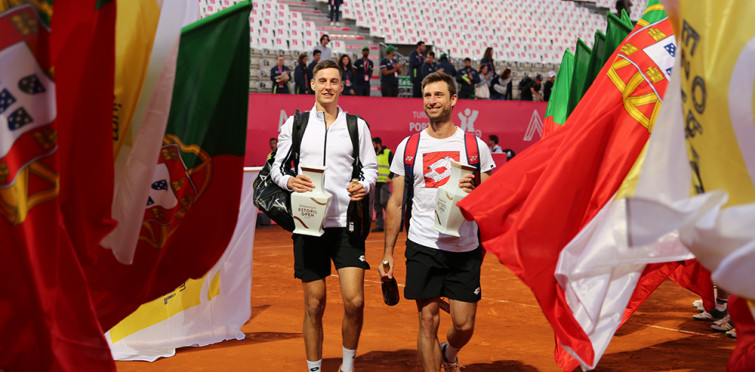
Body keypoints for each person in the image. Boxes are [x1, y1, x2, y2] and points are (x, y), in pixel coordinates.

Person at [380, 71, 495, 372]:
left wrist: (477, 191)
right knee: (427, 320)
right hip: (423, 243)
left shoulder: (475, 147)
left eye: (438, 95)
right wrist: (388, 253)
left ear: (453, 99)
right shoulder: (408, 147)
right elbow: (395, 202)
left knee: (464, 324)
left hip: (463, 246)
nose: (432, 101)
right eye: (428, 95)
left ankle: (451, 352)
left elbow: (492, 197)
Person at [271, 60, 378, 372]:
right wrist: (289, 181)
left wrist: (365, 184)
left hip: (347, 225)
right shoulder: (296, 124)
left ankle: (347, 366)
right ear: (312, 84)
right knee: (314, 304)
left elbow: (370, 168)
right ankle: (314, 368)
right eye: (322, 80)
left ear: (342, 86)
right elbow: (276, 168)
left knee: (355, 301)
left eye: (334, 81)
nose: (328, 86)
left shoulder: (356, 126)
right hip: (309, 225)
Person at [371, 137, 393, 233]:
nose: (372, 146)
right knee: (376, 204)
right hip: (375, 183)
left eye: (373, 144)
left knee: (384, 202)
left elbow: (394, 166)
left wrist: (390, 177)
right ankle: (380, 225)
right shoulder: (372, 154)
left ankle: (391, 224)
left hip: (384, 182)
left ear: (378, 144)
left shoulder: (388, 153)